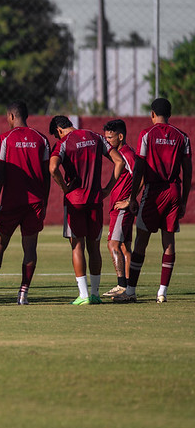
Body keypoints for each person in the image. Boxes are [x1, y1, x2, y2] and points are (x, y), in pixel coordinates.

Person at [0, 101, 50, 306]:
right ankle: (23, 295)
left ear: (12, 116)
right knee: (30, 247)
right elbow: (47, 175)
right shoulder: (42, 139)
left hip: (11, 202)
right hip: (35, 203)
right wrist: (45, 202)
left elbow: (0, 174)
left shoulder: (5, 138)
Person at [48, 115, 125, 305]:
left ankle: (83, 295)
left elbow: (52, 168)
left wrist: (65, 189)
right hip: (95, 200)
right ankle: (96, 294)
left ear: (59, 131)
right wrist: (107, 189)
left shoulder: (63, 143)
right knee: (94, 247)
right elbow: (120, 162)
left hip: (75, 201)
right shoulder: (96, 137)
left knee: (77, 246)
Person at [125, 98, 191, 303]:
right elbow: (188, 173)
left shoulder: (146, 134)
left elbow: (138, 169)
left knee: (141, 242)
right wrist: (183, 201)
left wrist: (132, 196)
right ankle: (162, 292)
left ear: (152, 114)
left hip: (153, 191)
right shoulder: (183, 137)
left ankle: (130, 291)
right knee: (169, 242)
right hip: (173, 190)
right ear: (169, 114)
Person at [101, 119, 137, 303]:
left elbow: (141, 174)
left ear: (120, 136)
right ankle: (129, 291)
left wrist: (130, 200)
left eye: (110, 137)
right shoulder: (119, 153)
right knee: (124, 247)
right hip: (118, 207)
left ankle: (121, 285)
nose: (107, 141)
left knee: (112, 245)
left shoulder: (127, 154)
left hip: (121, 209)